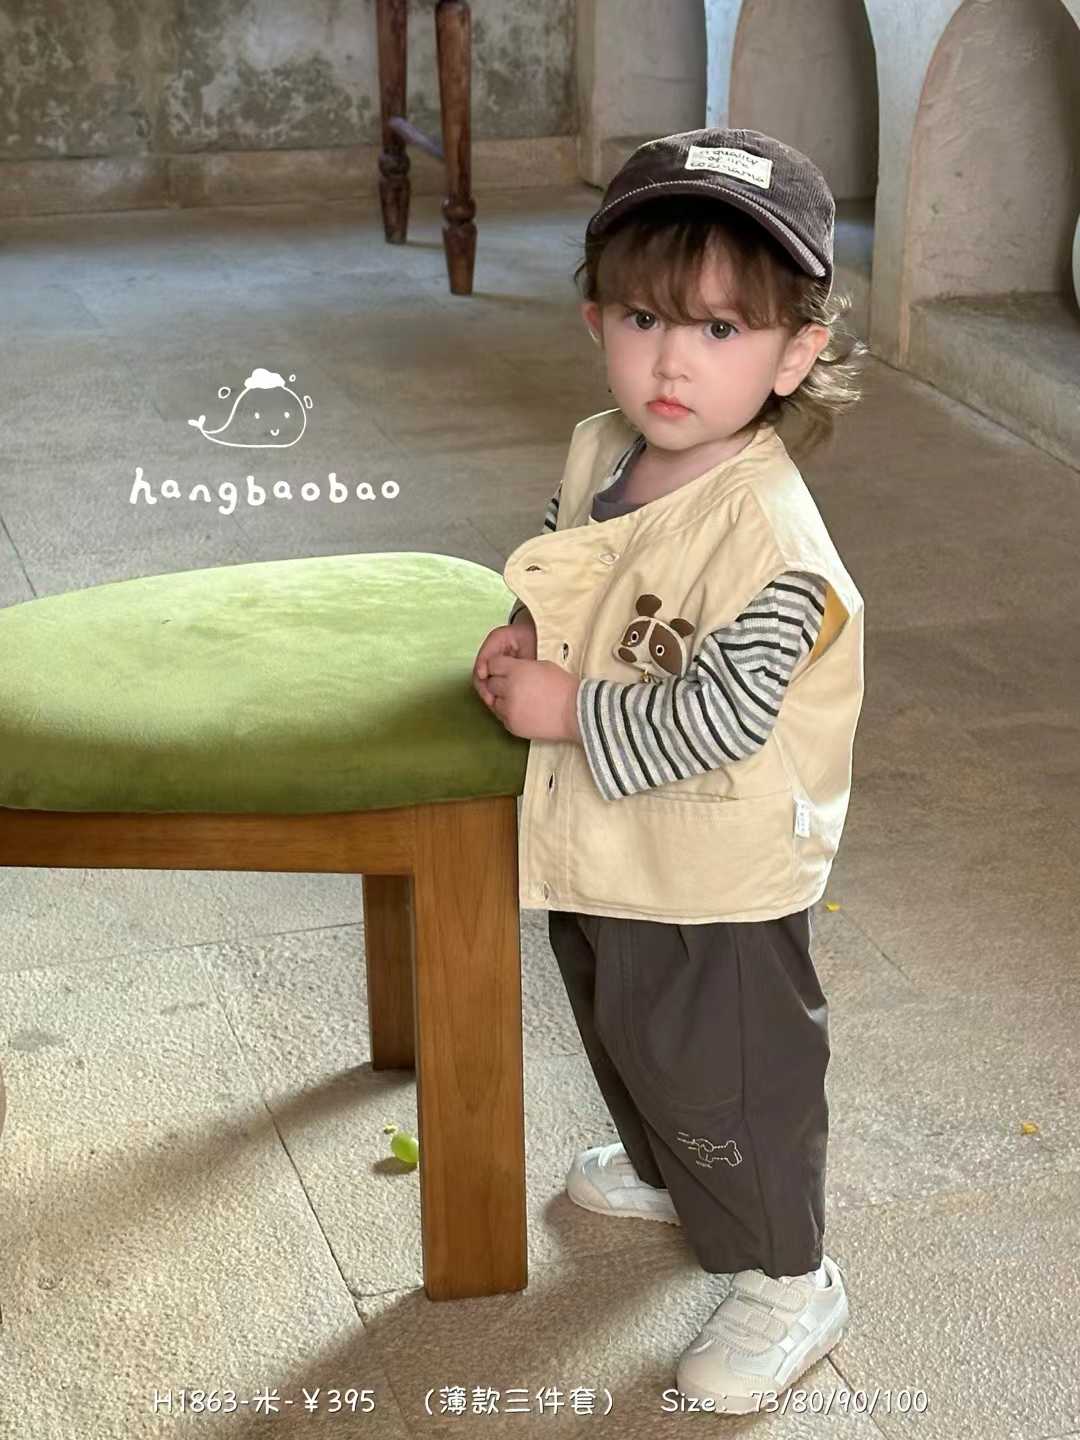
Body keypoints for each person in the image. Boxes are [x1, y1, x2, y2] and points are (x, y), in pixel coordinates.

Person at [472, 127, 868, 1415]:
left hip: (717, 871)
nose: (672, 362)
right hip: (611, 836)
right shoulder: (605, 451)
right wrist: (528, 637)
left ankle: (790, 1274)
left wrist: (566, 705)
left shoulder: (772, 543)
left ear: (794, 353)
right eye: (645, 319)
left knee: (729, 1071)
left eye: (720, 329)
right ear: (597, 318)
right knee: (622, 1019)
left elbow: (725, 718)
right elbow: (570, 567)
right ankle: (670, 1169)